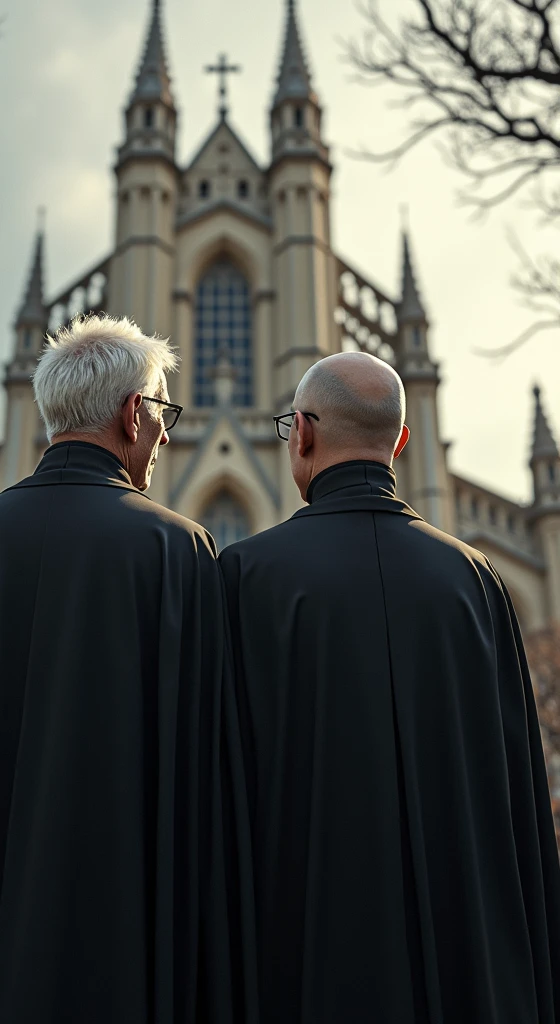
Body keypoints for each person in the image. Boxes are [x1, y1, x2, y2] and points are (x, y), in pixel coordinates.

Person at [0, 315, 257, 1024]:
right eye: (164, 413)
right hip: (118, 946)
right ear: (133, 414)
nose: (167, 436)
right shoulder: (177, 553)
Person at [219, 351, 560, 1024]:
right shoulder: (477, 581)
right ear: (400, 442)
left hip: (299, 962)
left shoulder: (242, 577)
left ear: (303, 435)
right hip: (467, 968)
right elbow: (522, 805)